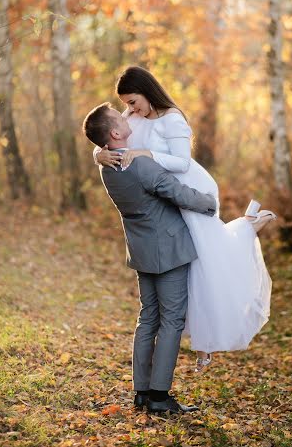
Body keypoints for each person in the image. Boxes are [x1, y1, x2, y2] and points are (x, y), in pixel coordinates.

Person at [95, 66, 275, 372]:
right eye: (126, 103)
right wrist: (97, 156)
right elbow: (106, 138)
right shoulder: (132, 118)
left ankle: (248, 228)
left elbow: (180, 163)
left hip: (187, 188)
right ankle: (202, 338)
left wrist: (145, 154)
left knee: (207, 260)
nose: (130, 108)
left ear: (147, 92)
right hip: (162, 195)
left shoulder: (172, 119)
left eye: (133, 101)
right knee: (188, 270)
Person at [83, 103, 217, 414]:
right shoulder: (140, 166)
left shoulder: (107, 167)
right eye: (119, 115)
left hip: (142, 249)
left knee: (148, 319)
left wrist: (95, 153)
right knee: (171, 321)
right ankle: (159, 396)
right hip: (168, 250)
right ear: (115, 132)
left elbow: (103, 151)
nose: (125, 113)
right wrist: (211, 202)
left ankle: (141, 392)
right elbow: (178, 192)